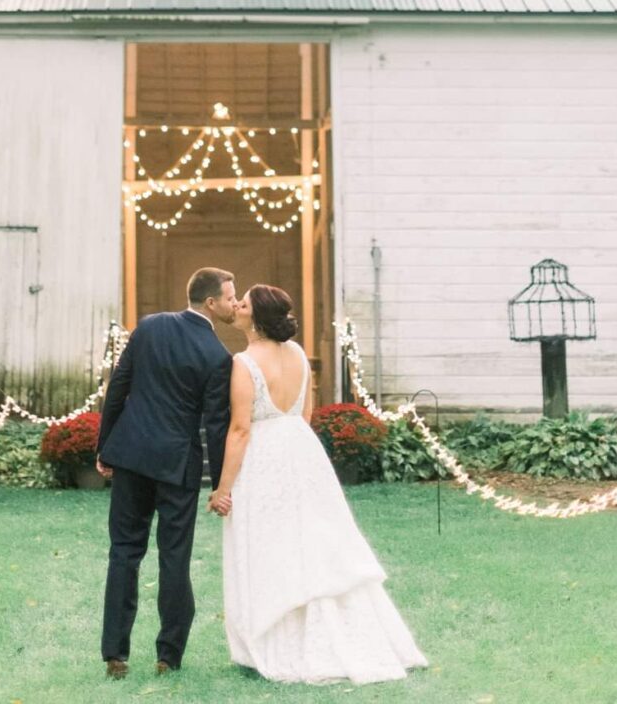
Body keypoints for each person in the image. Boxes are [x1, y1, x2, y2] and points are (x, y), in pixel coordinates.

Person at [208, 284, 428, 685]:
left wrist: (223, 488)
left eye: (243, 303)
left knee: (269, 544)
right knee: (315, 542)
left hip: (263, 455)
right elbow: (305, 414)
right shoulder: (298, 357)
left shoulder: (243, 363)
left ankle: (280, 642)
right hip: (302, 452)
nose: (236, 306)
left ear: (255, 317)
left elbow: (239, 429)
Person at [97, 266, 236, 680]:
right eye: (230, 296)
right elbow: (215, 425)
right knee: (174, 558)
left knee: (124, 552)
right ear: (210, 302)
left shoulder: (150, 326)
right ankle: (168, 655)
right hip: (177, 467)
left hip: (131, 455)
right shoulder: (217, 356)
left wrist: (105, 446)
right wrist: (221, 481)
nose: (234, 302)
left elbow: (117, 387)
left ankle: (115, 655)